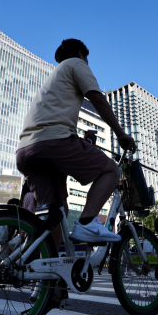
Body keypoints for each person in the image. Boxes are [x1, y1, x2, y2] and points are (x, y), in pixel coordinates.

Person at [15, 39, 136, 246]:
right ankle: (88, 223)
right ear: (82, 54)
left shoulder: (53, 78)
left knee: (56, 212)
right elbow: (98, 99)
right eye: (87, 58)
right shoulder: (76, 64)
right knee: (111, 171)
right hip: (53, 142)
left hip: (25, 151)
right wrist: (121, 134)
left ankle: (46, 268)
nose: (87, 63)